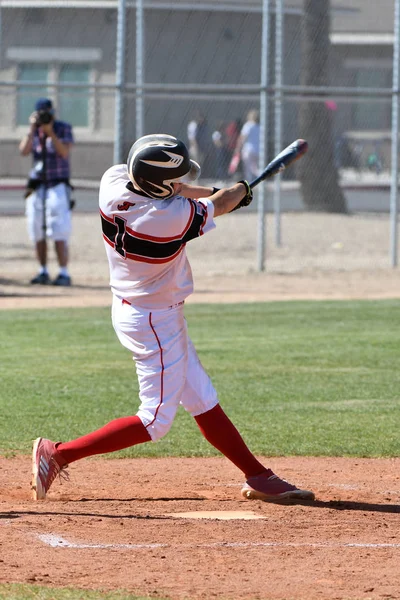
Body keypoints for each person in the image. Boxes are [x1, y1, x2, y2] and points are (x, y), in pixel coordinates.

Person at [31, 134, 315, 505]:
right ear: (161, 187)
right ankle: (57, 453)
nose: (182, 184)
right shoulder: (165, 219)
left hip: (138, 307)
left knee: (200, 395)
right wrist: (237, 192)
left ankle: (258, 475)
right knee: (154, 421)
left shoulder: (114, 181)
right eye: (176, 180)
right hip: (153, 321)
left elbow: (190, 193)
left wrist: (226, 192)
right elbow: (213, 204)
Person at [19, 98, 74, 286]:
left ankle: (63, 272)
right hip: (38, 185)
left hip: (57, 184)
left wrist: (50, 132)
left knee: (59, 229)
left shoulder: (62, 128)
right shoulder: (34, 131)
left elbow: (64, 152)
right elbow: (23, 151)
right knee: (37, 229)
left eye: (46, 113)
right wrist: (32, 129)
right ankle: (42, 270)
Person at [234, 109, 260, 183]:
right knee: (255, 167)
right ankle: (258, 179)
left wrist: (238, 148)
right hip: (257, 150)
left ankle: (249, 183)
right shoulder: (259, 127)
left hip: (248, 149)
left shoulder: (248, 125)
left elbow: (242, 137)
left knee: (248, 168)